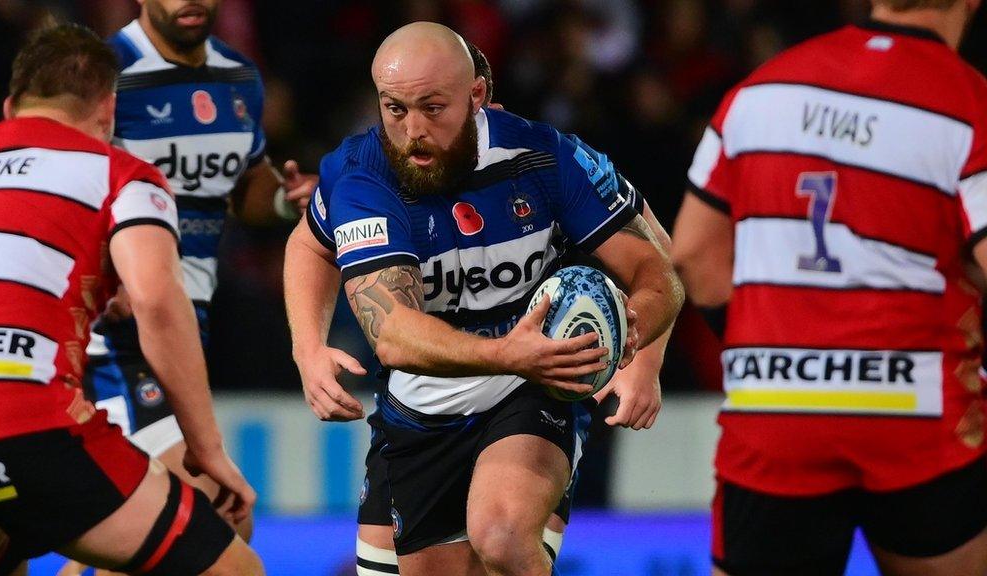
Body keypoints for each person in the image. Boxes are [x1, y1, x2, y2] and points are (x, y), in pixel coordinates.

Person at [286, 22, 682, 576]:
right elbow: (378, 316)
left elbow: (656, 263)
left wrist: (640, 346)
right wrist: (308, 348)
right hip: (421, 408)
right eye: (395, 109)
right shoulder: (361, 176)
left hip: (534, 387)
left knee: (501, 536)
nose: (413, 130)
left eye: (432, 107)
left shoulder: (544, 155)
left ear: (477, 95)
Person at [671, 1, 987, 574]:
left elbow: (693, 255)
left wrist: (772, 349)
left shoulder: (759, 90)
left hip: (775, 406)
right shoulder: (972, 104)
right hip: (917, 412)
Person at [0, 24, 261, 575]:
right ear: (107, 112)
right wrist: (207, 448)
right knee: (232, 564)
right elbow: (155, 301)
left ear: (10, 107)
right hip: (33, 430)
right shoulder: (119, 174)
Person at [62, 3, 314, 573]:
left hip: (184, 324)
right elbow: (67, 183)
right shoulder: (104, 74)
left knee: (173, 525)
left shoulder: (240, 77)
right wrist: (103, 265)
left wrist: (280, 197)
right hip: (116, 332)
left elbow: (243, 182)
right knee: (208, 513)